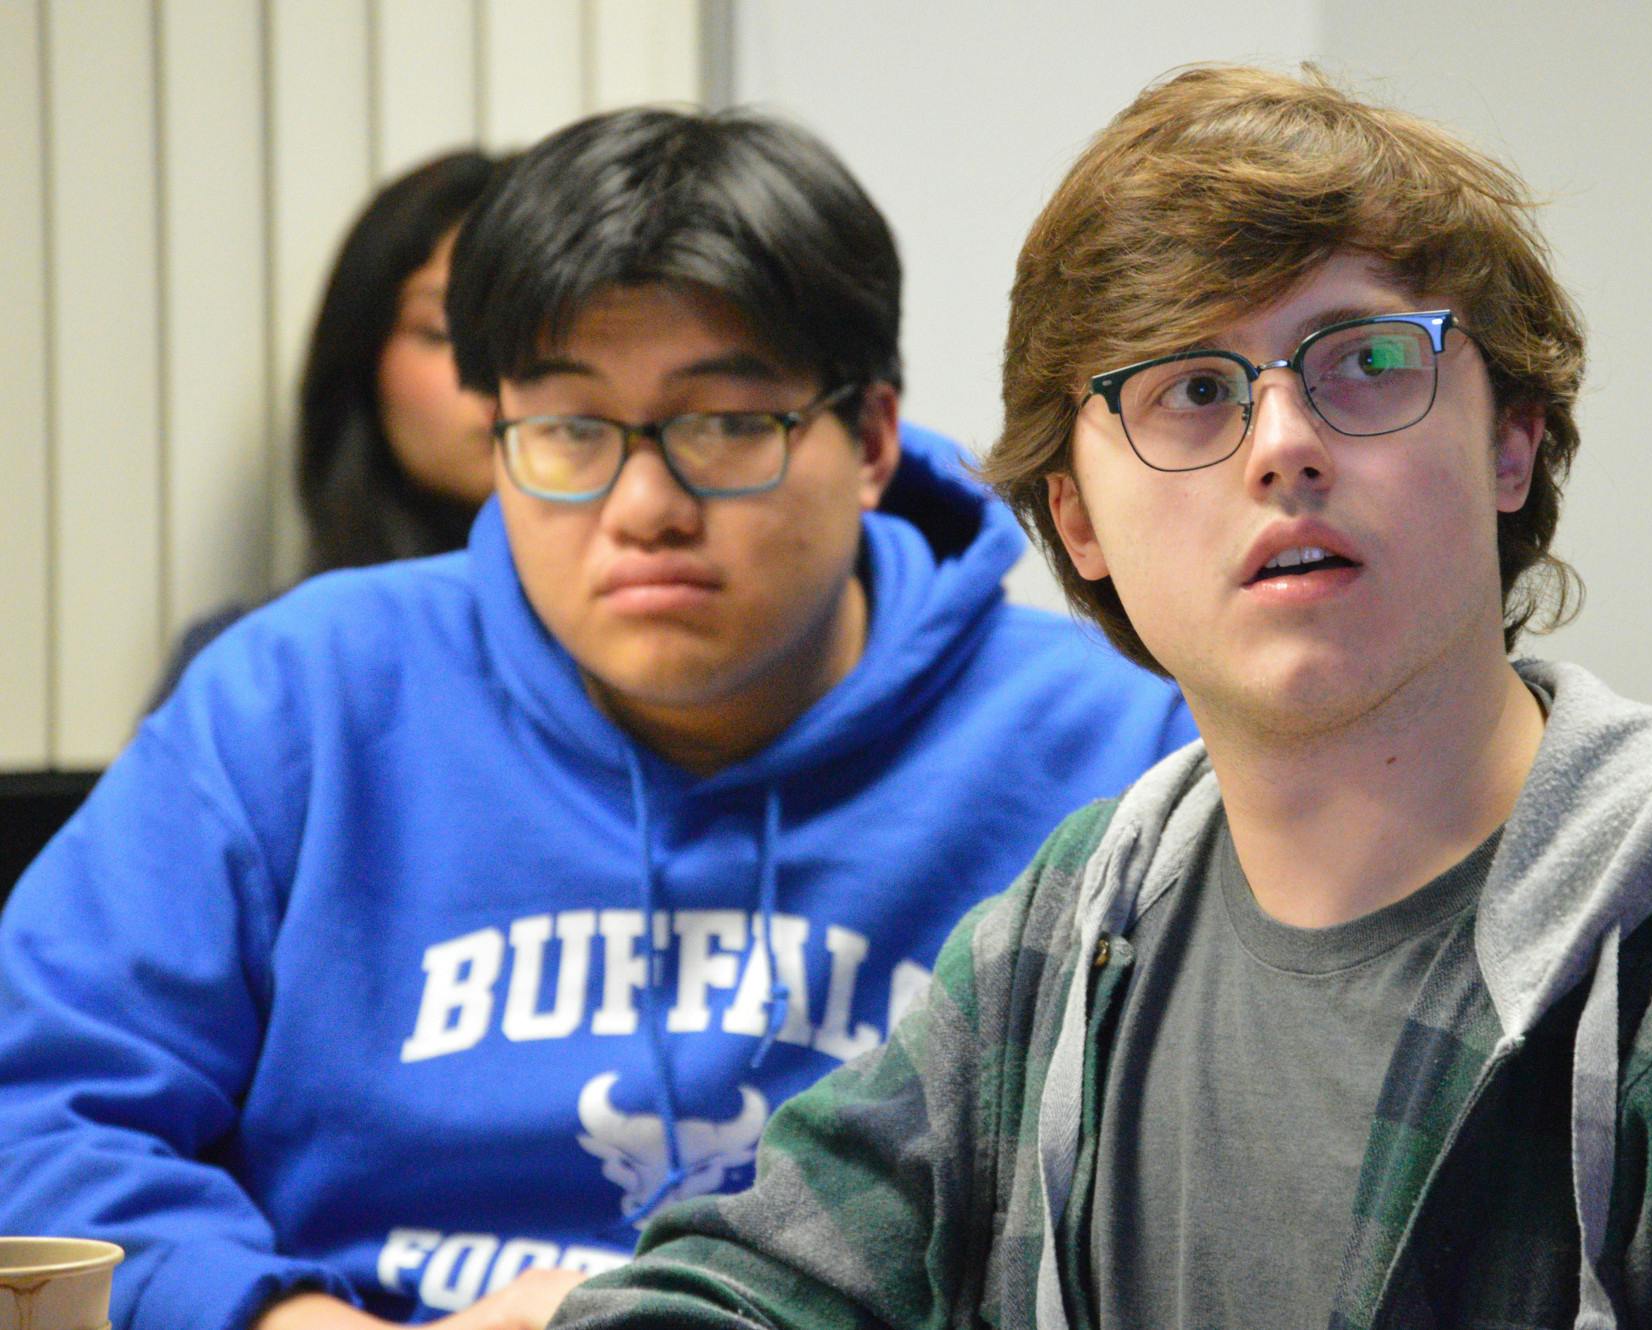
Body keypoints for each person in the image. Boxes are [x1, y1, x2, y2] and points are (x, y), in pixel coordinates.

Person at [552, 66, 1652, 1329]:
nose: (1284, 445)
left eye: (1367, 362)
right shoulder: (1081, 931)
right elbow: (736, 1280)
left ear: (1512, 445)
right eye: (1192, 390)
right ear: (1079, 523)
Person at [0, 106, 1194, 1330]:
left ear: (872, 436)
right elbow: (42, 1109)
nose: (643, 507)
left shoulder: (1116, 756)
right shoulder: (298, 697)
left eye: (726, 424)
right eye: (570, 428)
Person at [149, 148, 506, 708]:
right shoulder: (261, 667)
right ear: (362, 360)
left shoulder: (647, 664)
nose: (496, 378)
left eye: (533, 340)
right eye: (443, 332)